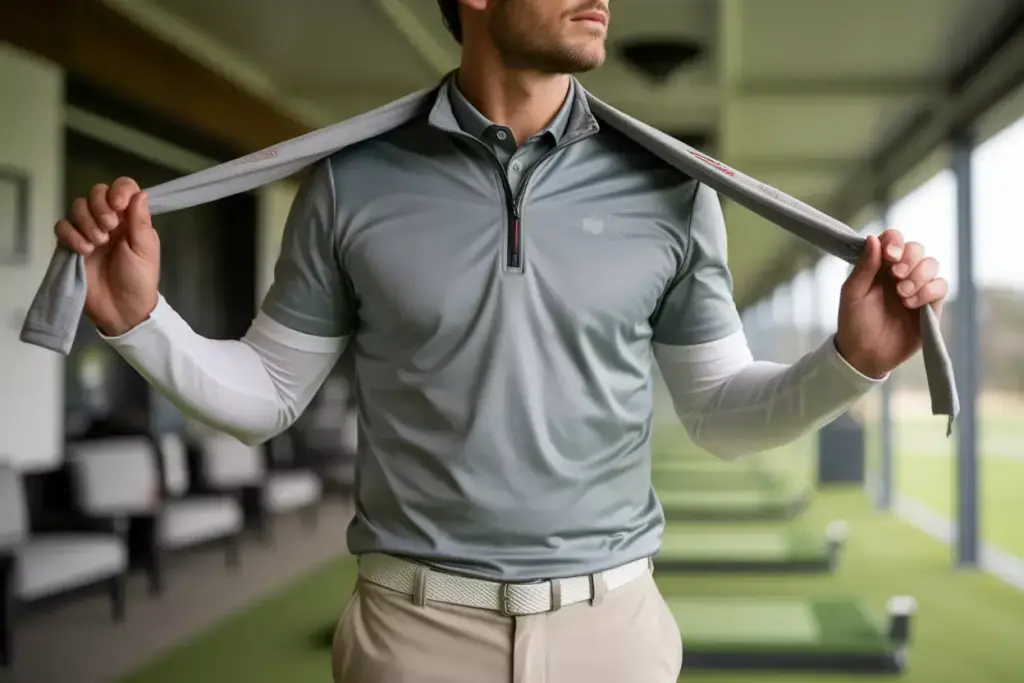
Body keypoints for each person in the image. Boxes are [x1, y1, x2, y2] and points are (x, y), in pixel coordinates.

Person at [54, 0, 948, 680]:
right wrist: (139, 318)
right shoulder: (350, 183)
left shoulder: (674, 191)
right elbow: (267, 393)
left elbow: (717, 411)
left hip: (615, 634)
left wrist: (851, 364)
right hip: (411, 638)